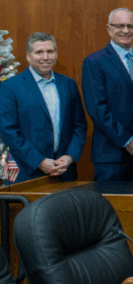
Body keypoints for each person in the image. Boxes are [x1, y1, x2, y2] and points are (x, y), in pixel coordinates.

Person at [0, 33, 87, 184]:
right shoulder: (10, 87)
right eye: (39, 52)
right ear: (28, 56)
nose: (45, 57)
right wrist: (39, 161)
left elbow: (79, 125)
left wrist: (70, 156)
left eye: (50, 51)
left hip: (64, 171)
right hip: (26, 173)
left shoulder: (68, 85)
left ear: (55, 54)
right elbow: (9, 131)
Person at [82, 8, 133, 181]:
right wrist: (127, 141)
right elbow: (97, 108)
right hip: (111, 156)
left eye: (130, 26)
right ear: (109, 29)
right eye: (119, 26)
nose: (125, 31)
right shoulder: (94, 62)